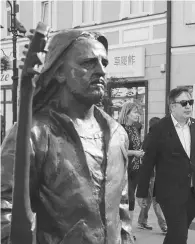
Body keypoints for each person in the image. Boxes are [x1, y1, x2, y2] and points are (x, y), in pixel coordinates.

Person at [1, 29, 134, 244]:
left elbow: (122, 206)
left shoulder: (118, 134)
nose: (101, 71)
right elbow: (5, 205)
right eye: (88, 63)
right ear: (60, 72)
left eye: (104, 63)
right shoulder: (34, 133)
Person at [136, 87, 195, 244]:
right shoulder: (159, 129)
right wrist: (141, 192)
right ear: (172, 106)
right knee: (179, 234)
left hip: (194, 194)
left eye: (191, 102)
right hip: (169, 194)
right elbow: (147, 163)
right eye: (184, 103)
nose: (189, 106)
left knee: (175, 234)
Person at [118, 102, 145, 239]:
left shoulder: (136, 127)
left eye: (138, 112)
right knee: (126, 200)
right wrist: (134, 152)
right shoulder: (120, 129)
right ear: (127, 113)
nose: (137, 114)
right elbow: (119, 150)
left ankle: (128, 230)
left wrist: (140, 153)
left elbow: (137, 145)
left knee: (132, 200)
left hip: (135, 169)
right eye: (135, 112)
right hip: (124, 169)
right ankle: (124, 231)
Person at [137, 117, 167, 234]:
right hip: (152, 175)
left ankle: (141, 221)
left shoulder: (151, 137)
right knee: (156, 200)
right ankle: (164, 225)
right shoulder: (153, 139)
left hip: (153, 174)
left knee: (149, 200)